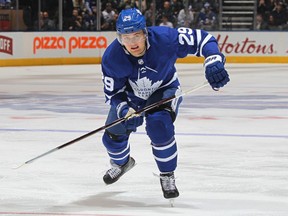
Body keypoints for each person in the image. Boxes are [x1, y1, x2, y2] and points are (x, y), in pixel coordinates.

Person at [101, 8, 229, 199]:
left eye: (137, 35)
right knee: (111, 138)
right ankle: (122, 163)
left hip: (164, 89)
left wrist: (213, 60)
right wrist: (124, 109)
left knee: (159, 124)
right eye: (126, 37)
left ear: (145, 32)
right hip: (131, 97)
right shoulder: (112, 58)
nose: (133, 42)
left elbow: (204, 39)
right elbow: (114, 94)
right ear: (120, 38)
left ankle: (167, 174)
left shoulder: (166, 38)